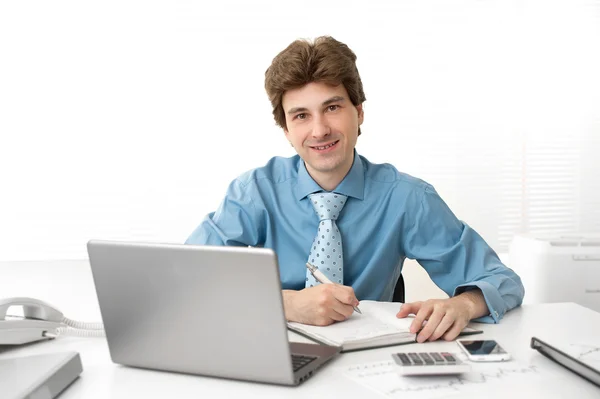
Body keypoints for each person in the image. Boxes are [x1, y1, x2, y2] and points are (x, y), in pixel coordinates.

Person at [185, 36, 524, 342]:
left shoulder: (407, 198)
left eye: (332, 108)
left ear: (359, 112)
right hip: (271, 347)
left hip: (373, 358)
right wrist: (284, 303)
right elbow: (187, 274)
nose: (319, 130)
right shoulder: (255, 192)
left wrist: (464, 304)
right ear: (286, 130)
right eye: (301, 115)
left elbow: (501, 279)